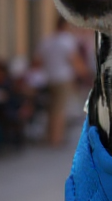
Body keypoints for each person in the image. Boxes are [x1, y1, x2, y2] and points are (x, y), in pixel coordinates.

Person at [38, 16, 93, 146]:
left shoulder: (47, 40)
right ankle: (56, 138)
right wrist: (85, 74)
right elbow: (74, 60)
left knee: (52, 108)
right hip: (63, 78)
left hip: (49, 78)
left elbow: (38, 60)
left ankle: (50, 135)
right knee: (60, 110)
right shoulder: (66, 40)